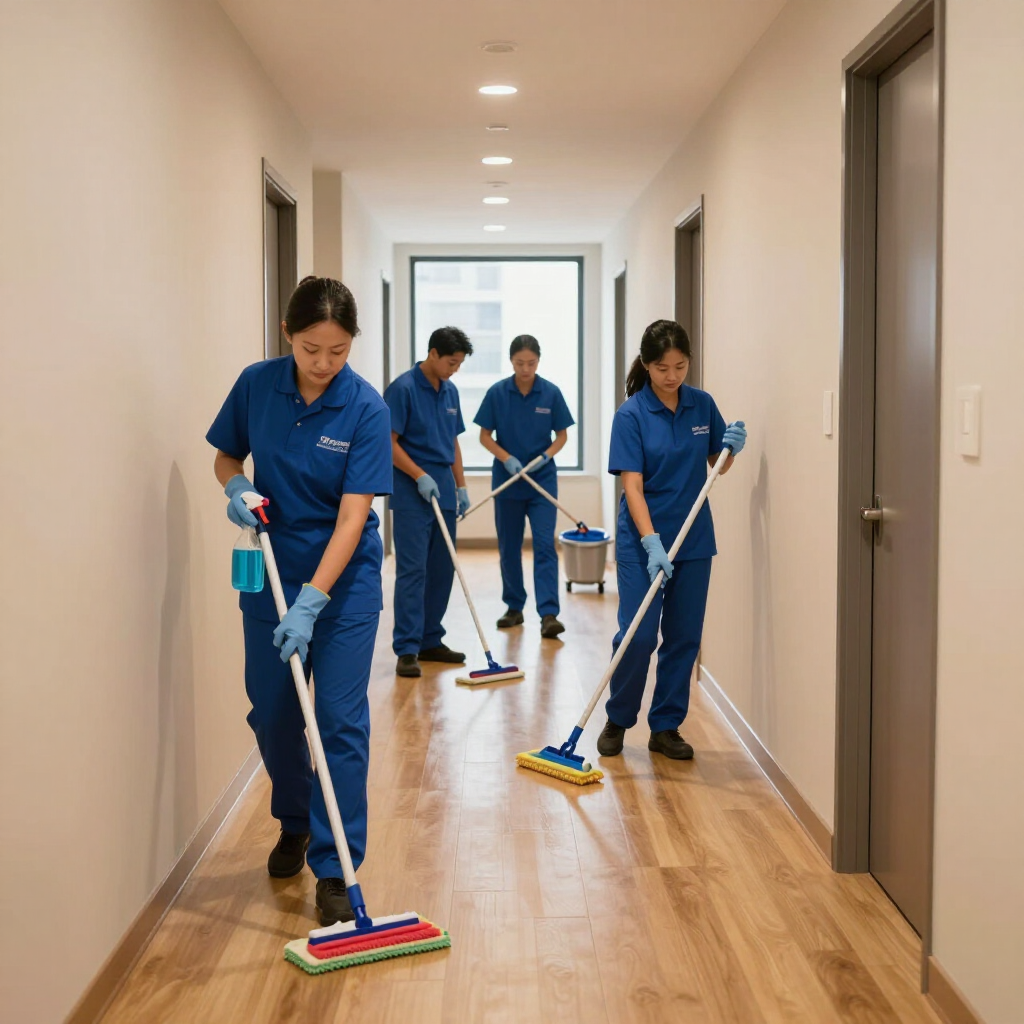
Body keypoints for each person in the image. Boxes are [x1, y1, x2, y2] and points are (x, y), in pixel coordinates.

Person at [206, 276, 392, 926]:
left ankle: (338, 866)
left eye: (338, 351)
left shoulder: (366, 409)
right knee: (275, 714)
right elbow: (228, 457)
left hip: (343, 590)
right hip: (270, 573)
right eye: (313, 348)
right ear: (288, 334)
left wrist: (315, 599)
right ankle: (295, 819)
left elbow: (351, 520)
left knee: (339, 722)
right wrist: (236, 490)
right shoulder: (257, 384)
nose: (324, 364)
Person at [598, 319, 746, 761]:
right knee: (638, 637)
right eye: (663, 367)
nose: (672, 376)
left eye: (680, 366)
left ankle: (665, 726)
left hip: (694, 539)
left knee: (683, 637)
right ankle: (619, 717)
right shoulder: (631, 416)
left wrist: (729, 451)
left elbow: (717, 467)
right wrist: (650, 543)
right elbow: (633, 487)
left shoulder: (702, 405)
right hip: (644, 541)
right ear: (647, 365)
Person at [383, 326, 473, 677]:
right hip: (411, 488)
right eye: (451, 362)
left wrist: (461, 485)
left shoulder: (450, 392)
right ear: (433, 354)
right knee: (413, 570)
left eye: (460, 363)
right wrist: (419, 474)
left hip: (444, 488)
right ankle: (407, 647)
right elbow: (388, 443)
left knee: (441, 568)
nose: (455, 369)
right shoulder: (403, 389)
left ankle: (430, 639)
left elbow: (453, 443)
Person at [475, 334, 574, 638]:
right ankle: (514, 607)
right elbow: (484, 436)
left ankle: (548, 614)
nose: (526, 368)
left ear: (538, 361)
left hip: (541, 480)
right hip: (508, 480)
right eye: (520, 363)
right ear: (511, 361)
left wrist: (546, 455)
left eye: (531, 363)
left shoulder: (551, 393)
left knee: (545, 544)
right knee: (509, 545)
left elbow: (561, 436)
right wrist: (506, 458)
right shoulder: (497, 393)